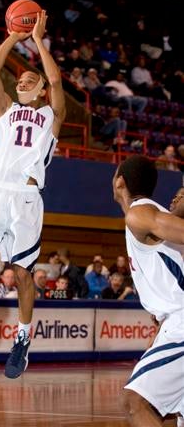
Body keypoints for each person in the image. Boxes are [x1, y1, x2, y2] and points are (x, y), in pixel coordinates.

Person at [0, 10, 66, 379]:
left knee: (24, 276)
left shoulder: (51, 117)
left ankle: (22, 340)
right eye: (21, 78)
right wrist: (12, 36)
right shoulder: (5, 109)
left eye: (30, 79)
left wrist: (37, 40)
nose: (23, 81)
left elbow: (55, 78)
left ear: (40, 90)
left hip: (26, 199)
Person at [113, 154, 184, 426]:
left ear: (120, 182)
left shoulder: (140, 213)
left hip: (180, 323)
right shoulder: (143, 217)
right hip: (171, 322)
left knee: (135, 402)